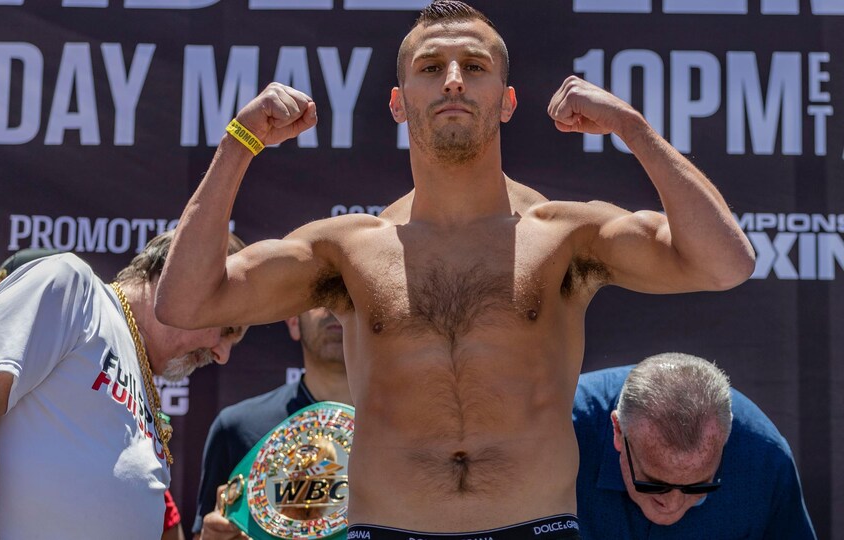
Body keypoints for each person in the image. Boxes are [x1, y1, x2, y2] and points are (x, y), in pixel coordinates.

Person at [155, 1, 756, 537]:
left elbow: (725, 262)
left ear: (506, 99)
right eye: (428, 67)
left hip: (535, 527)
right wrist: (238, 143)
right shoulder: (349, 250)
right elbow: (187, 304)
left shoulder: (567, 238)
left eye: (474, 67)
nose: (452, 82)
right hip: (389, 529)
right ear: (398, 102)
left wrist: (632, 127)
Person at [0, 231, 247, 540]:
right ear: (182, 277)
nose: (222, 354)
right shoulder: (73, 286)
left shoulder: (143, 382)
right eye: (228, 328)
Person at [572, 353, 816, 539]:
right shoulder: (558, 433)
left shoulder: (764, 459)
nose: (673, 503)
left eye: (698, 486)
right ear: (618, 430)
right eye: (653, 484)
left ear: (726, 437)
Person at [192, 307, 351, 540]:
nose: (334, 307)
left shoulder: (412, 430)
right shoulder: (237, 427)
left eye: (348, 296)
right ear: (294, 322)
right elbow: (210, 531)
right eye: (322, 296)